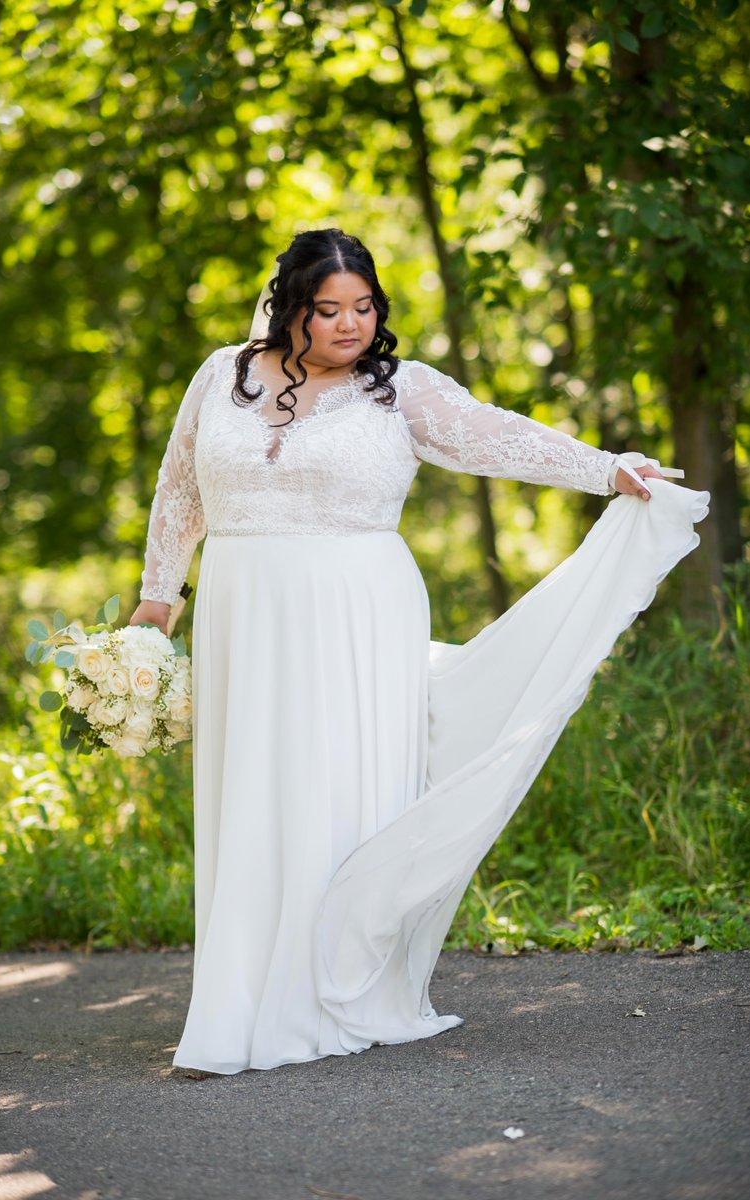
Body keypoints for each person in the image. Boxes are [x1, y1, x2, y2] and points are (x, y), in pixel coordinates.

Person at [129, 228, 707, 1075]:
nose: (348, 325)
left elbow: (499, 437)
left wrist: (606, 469)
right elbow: (180, 484)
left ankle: (336, 980)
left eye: (362, 307)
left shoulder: (398, 392)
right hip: (242, 609)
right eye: (327, 310)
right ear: (288, 307)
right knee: (255, 786)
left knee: (337, 783)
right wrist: (159, 593)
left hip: (357, 609)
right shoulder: (223, 376)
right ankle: (244, 992)